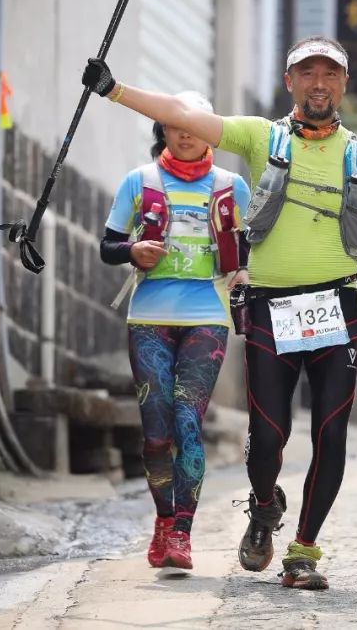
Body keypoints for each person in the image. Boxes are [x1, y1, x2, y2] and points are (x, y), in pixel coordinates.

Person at [83, 36, 357, 590]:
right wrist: (114, 89)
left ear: (342, 84)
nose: (319, 84)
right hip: (270, 307)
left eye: (329, 75)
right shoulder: (262, 137)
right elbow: (181, 115)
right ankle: (265, 506)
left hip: (337, 302)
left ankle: (303, 551)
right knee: (268, 439)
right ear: (290, 82)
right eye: (307, 73)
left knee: (331, 433)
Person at [99, 91, 252, 571]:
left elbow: (247, 255)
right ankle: (163, 520)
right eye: (174, 122)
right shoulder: (138, 182)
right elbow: (107, 245)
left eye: (195, 123)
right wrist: (133, 251)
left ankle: (182, 534)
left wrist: (246, 275)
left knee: (189, 421)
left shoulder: (232, 187)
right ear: (161, 129)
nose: (185, 131)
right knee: (156, 431)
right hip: (148, 318)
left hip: (207, 316)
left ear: (210, 129)